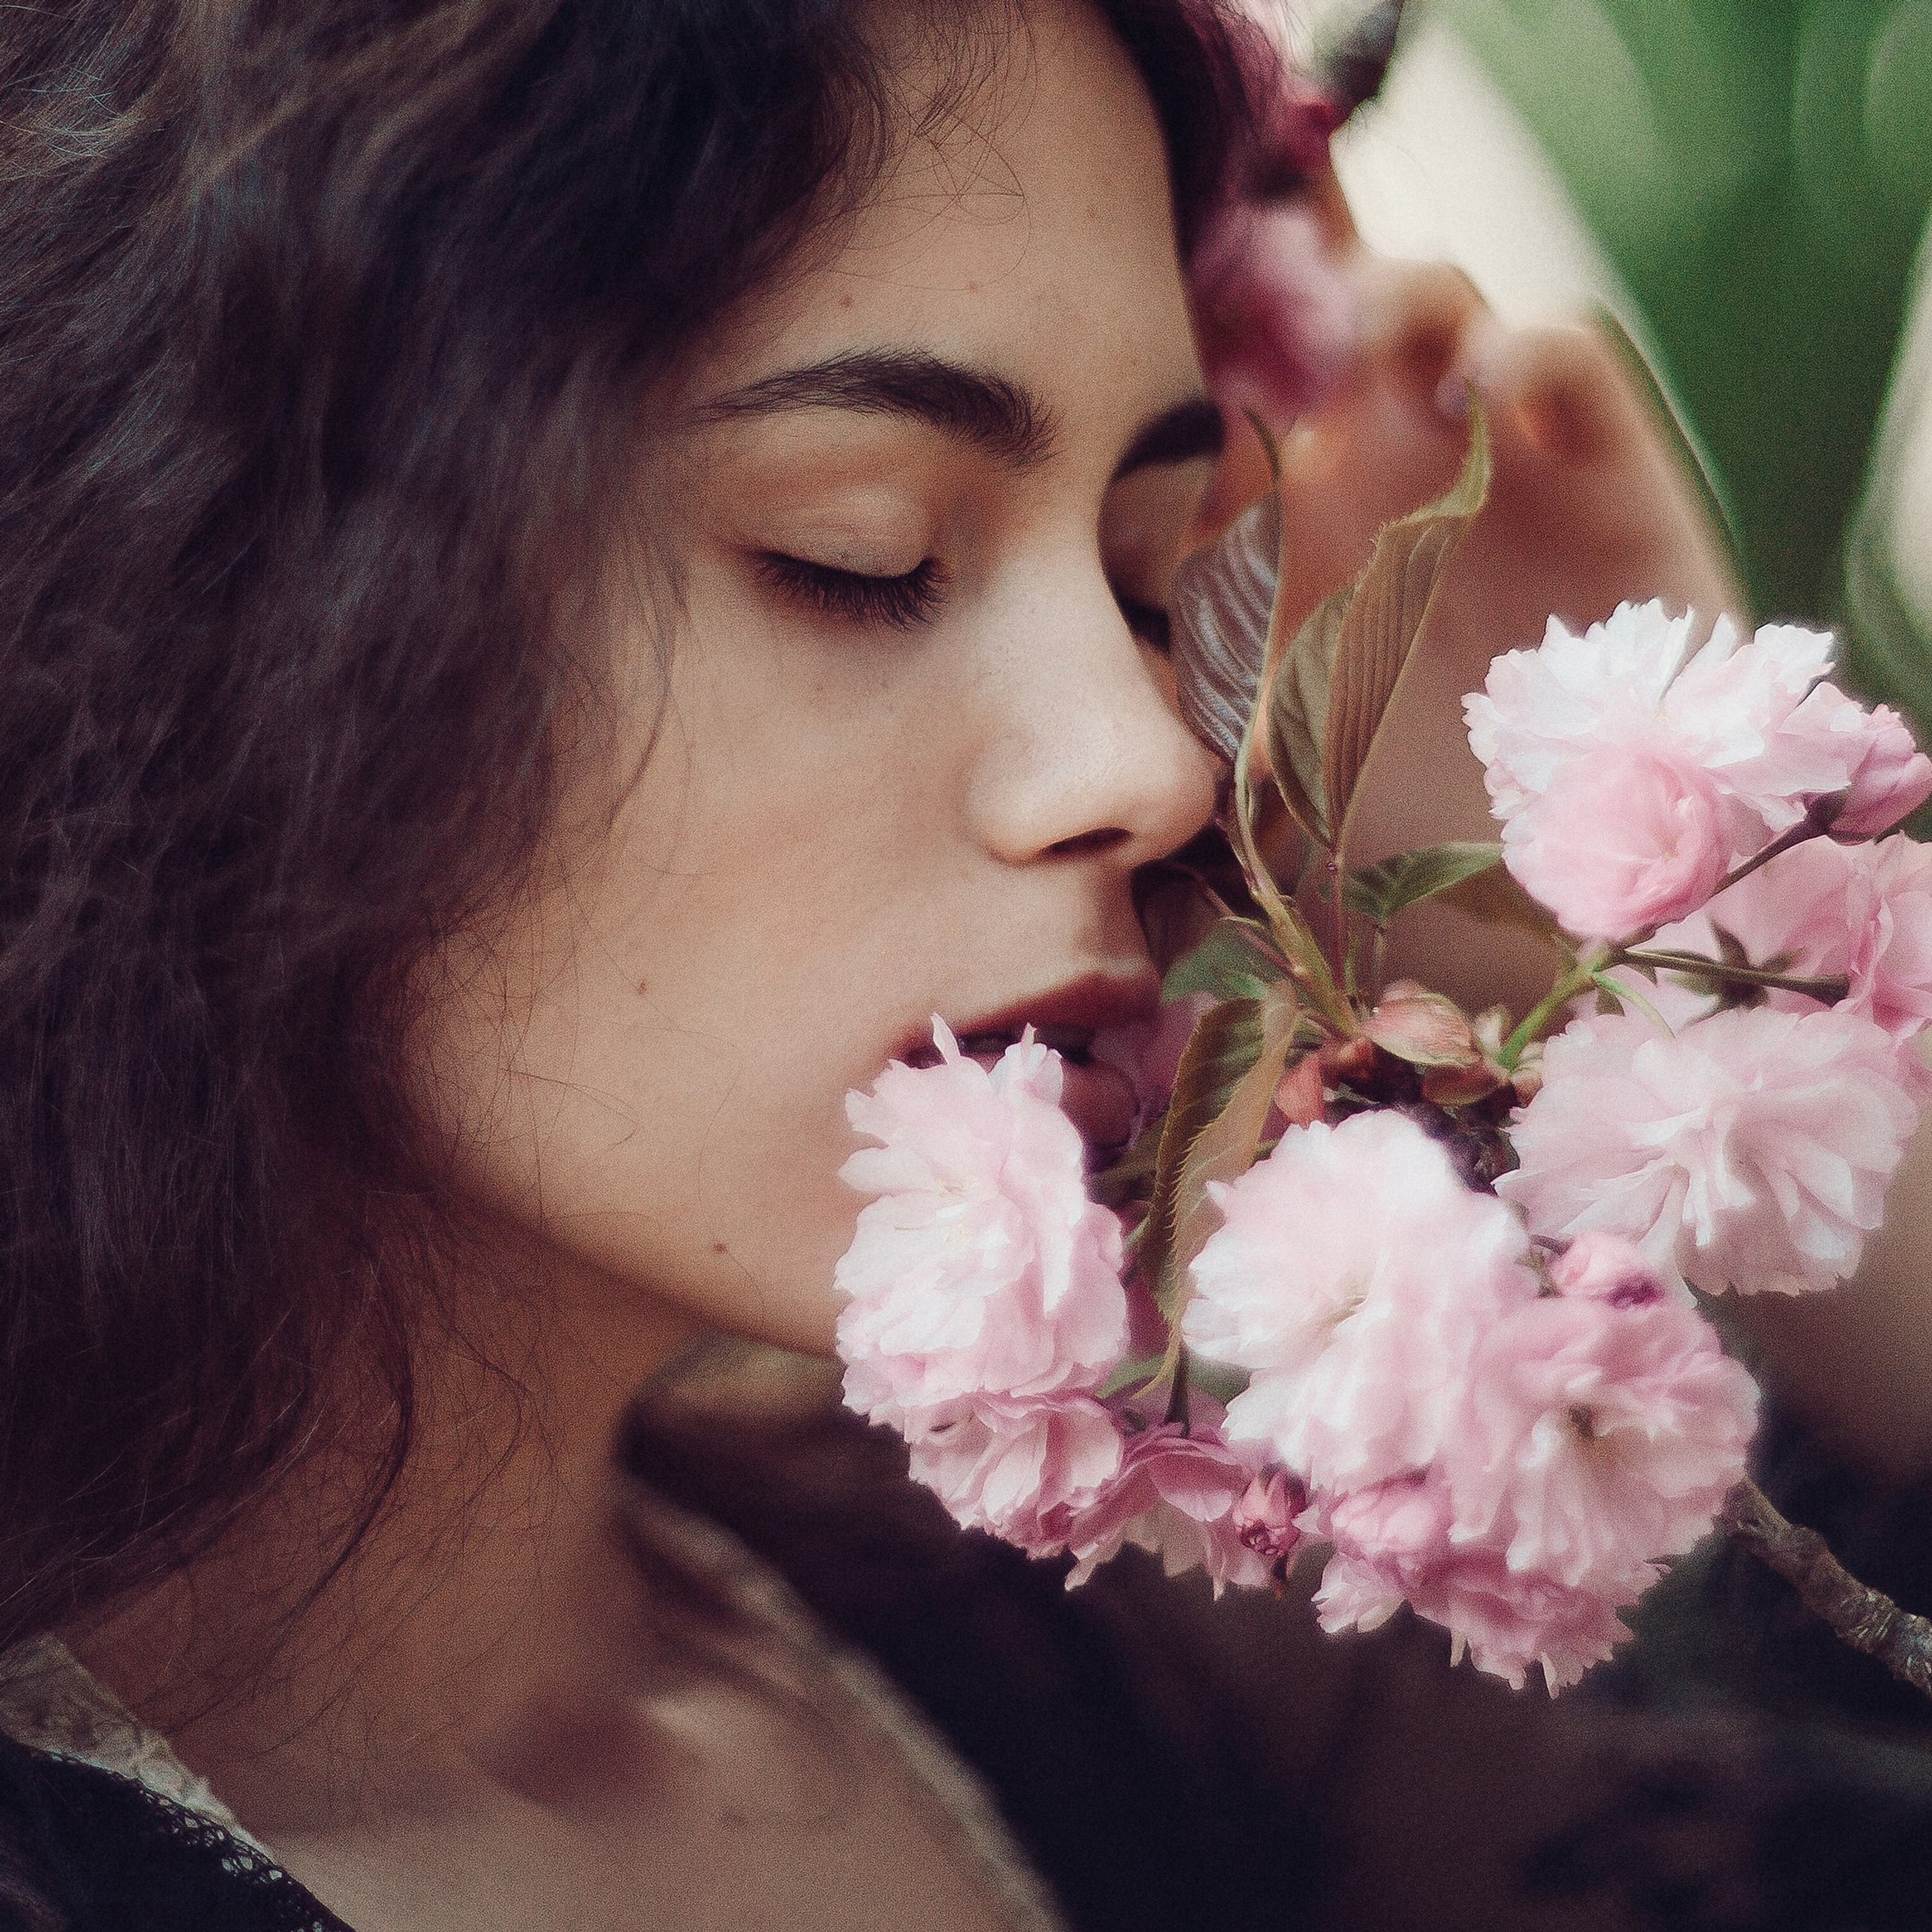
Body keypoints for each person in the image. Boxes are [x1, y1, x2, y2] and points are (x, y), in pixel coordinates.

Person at [3, 3, 1927, 1929]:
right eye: (858, 552)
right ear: (188, 576)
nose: (1153, 758)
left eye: (1151, 575)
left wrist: (1666, 891)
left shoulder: (1085, 1675)